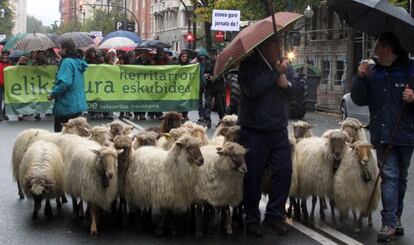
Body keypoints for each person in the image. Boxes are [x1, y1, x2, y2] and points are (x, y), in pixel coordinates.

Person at [351, 32, 414, 243]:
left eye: (378, 45)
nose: (374, 48)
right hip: (383, 133)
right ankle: (388, 222)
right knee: (389, 176)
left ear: (388, 48)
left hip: (406, 133)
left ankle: (395, 218)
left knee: (401, 178)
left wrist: (413, 98)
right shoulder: (372, 72)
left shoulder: (410, 70)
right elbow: (358, 99)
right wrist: (358, 77)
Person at [238, 35, 302, 237]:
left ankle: (275, 215)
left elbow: (299, 89)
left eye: (281, 44)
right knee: (253, 176)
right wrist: (275, 74)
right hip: (254, 129)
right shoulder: (248, 64)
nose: (280, 48)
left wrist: (287, 85)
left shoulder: (284, 64)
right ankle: (252, 218)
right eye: (276, 44)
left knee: (284, 172)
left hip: (278, 128)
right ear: (264, 46)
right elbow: (251, 89)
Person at [47, 39, 88, 133]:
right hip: (77, 104)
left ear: (65, 49)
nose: (59, 51)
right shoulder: (77, 61)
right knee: (75, 137)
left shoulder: (67, 62)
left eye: (60, 48)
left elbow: (65, 83)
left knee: (61, 137)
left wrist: (53, 94)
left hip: (66, 105)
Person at [203, 49, 225, 128]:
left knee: (219, 105)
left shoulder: (220, 63)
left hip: (218, 87)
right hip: (209, 87)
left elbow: (224, 74)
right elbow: (205, 72)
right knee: (207, 104)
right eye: (210, 55)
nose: (212, 56)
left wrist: (215, 78)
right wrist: (206, 75)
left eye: (213, 55)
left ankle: (222, 120)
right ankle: (207, 120)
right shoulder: (208, 63)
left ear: (216, 55)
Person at [178, 50, 191, 121]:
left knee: (185, 100)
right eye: (183, 56)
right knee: (179, 100)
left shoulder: (189, 66)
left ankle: (185, 114)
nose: (184, 58)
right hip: (178, 85)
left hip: (186, 85)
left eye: (185, 57)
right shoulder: (176, 65)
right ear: (180, 57)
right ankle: (179, 114)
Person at [0, 50, 11, 121]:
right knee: (0, 99)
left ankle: (4, 114)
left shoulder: (10, 64)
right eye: (4, 55)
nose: (5, 56)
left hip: (8, 84)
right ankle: (0, 115)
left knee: (7, 100)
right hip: (0, 84)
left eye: (6, 55)